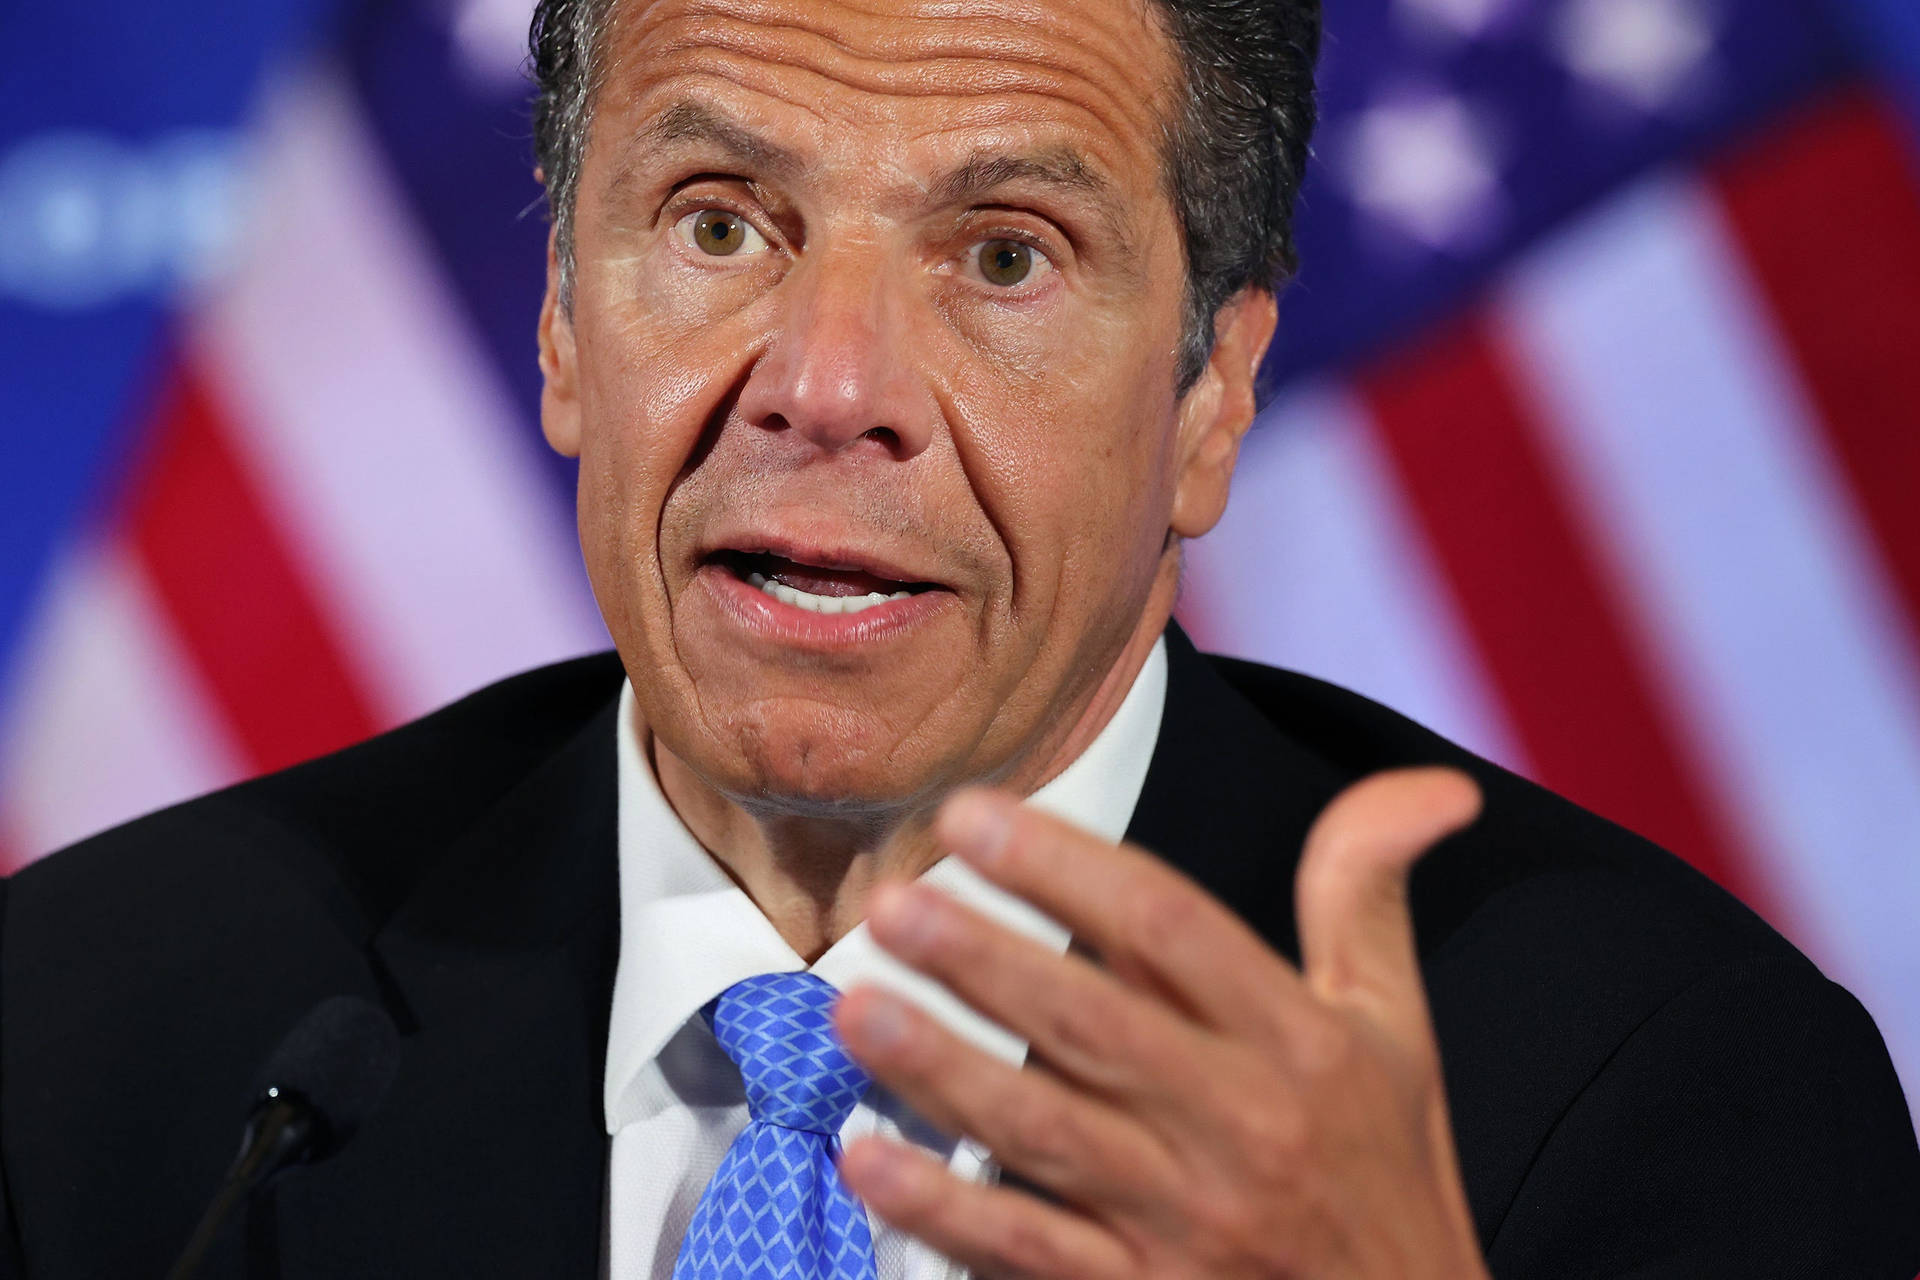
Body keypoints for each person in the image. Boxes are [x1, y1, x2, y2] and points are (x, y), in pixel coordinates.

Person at [3, 0, 1917, 1274]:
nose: (828, 389)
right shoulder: (107, 1047)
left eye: (1005, 253)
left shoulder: (1662, 1092)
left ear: (1209, 402)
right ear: (564, 327)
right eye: (721, 224)